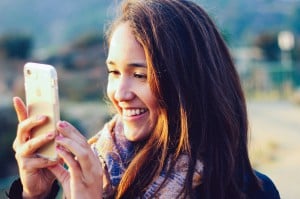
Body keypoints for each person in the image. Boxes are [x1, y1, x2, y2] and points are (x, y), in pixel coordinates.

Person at [8, 0, 280, 198]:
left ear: (188, 81)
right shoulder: (91, 173)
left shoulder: (249, 191)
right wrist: (35, 195)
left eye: (140, 75)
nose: (120, 93)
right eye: (113, 72)